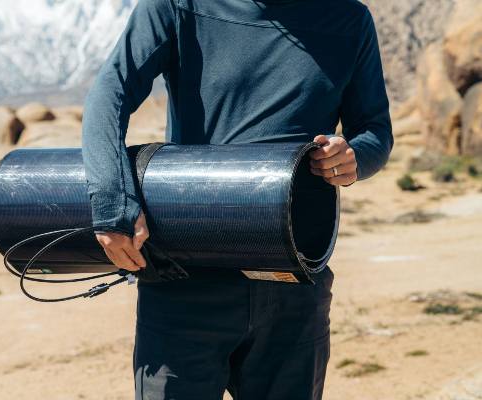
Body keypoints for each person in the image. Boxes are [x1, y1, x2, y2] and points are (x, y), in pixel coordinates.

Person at [81, 0, 393, 398]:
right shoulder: (178, 6)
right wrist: (112, 205)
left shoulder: (349, 19)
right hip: (188, 281)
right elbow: (110, 93)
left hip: (295, 285)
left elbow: (374, 130)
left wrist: (353, 157)